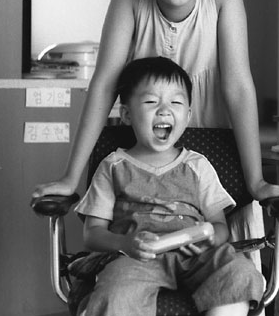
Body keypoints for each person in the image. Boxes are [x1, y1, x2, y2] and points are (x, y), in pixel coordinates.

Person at [32, 0, 279, 202]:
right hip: (143, 157)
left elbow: (238, 86)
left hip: (212, 154)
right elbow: (105, 83)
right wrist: (70, 178)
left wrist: (257, 181)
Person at [74, 56, 264, 315]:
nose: (164, 110)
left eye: (175, 102)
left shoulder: (198, 165)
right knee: (114, 291)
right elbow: (92, 234)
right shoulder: (113, 166)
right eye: (151, 101)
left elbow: (219, 226)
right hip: (134, 258)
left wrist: (210, 237)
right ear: (127, 114)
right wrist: (125, 243)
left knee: (239, 271)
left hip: (195, 256)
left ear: (187, 116)